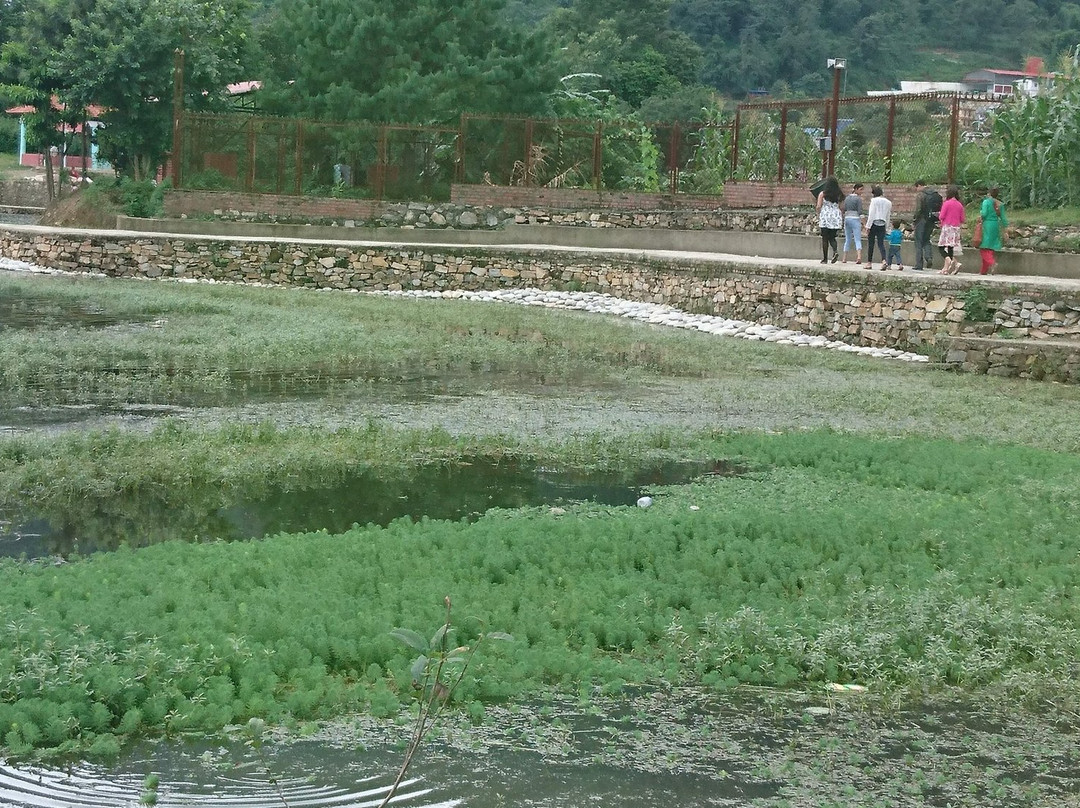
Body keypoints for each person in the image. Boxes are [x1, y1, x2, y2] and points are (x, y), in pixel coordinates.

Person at [978, 186, 1007, 275]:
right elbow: (1003, 218)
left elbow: (984, 214)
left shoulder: (986, 202)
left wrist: (980, 213)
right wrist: (1005, 229)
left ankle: (992, 263)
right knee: (990, 248)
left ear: (989, 193)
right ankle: (983, 271)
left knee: (983, 248)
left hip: (987, 225)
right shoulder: (1000, 204)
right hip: (995, 225)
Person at [936, 184, 965, 274]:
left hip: (947, 227)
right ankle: (949, 267)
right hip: (956, 229)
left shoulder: (947, 203)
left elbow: (941, 216)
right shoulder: (960, 205)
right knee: (950, 248)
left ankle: (948, 259)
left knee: (941, 247)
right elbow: (962, 219)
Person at [816, 175, 843, 264]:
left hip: (825, 216)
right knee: (832, 237)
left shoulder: (823, 194)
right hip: (835, 217)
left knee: (824, 238)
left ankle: (825, 259)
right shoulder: (839, 195)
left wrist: (818, 213)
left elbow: (819, 206)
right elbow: (841, 207)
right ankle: (835, 251)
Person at [864, 185, 892, 270]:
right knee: (881, 244)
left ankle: (869, 263)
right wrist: (887, 228)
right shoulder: (888, 202)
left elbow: (871, 214)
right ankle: (884, 260)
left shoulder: (874, 201)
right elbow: (888, 216)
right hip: (882, 224)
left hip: (874, 223)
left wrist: (868, 226)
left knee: (871, 244)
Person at [912, 180, 936, 271]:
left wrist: (914, 220)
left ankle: (919, 264)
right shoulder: (934, 193)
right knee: (926, 239)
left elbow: (918, 209)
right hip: (931, 220)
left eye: (916, 187)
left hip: (921, 220)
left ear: (919, 185)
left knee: (918, 241)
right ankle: (929, 257)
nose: (916, 189)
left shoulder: (921, 195)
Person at [841, 182, 864, 263]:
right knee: (857, 239)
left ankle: (844, 258)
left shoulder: (847, 198)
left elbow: (843, 209)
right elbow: (860, 212)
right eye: (861, 190)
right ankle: (859, 257)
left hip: (847, 219)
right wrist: (864, 223)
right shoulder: (858, 199)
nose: (862, 192)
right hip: (855, 219)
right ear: (856, 189)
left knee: (847, 239)